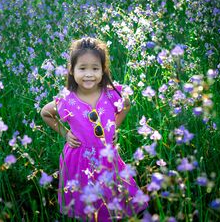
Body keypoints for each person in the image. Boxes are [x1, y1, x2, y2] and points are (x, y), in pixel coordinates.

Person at [41, 37, 147, 221]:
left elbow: (126, 105)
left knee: (113, 192)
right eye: (82, 68)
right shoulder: (68, 99)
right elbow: (45, 113)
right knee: (86, 199)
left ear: (103, 70)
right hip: (78, 158)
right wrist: (66, 134)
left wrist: (113, 128)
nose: (89, 74)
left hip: (106, 155)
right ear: (72, 71)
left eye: (95, 68)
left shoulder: (111, 94)